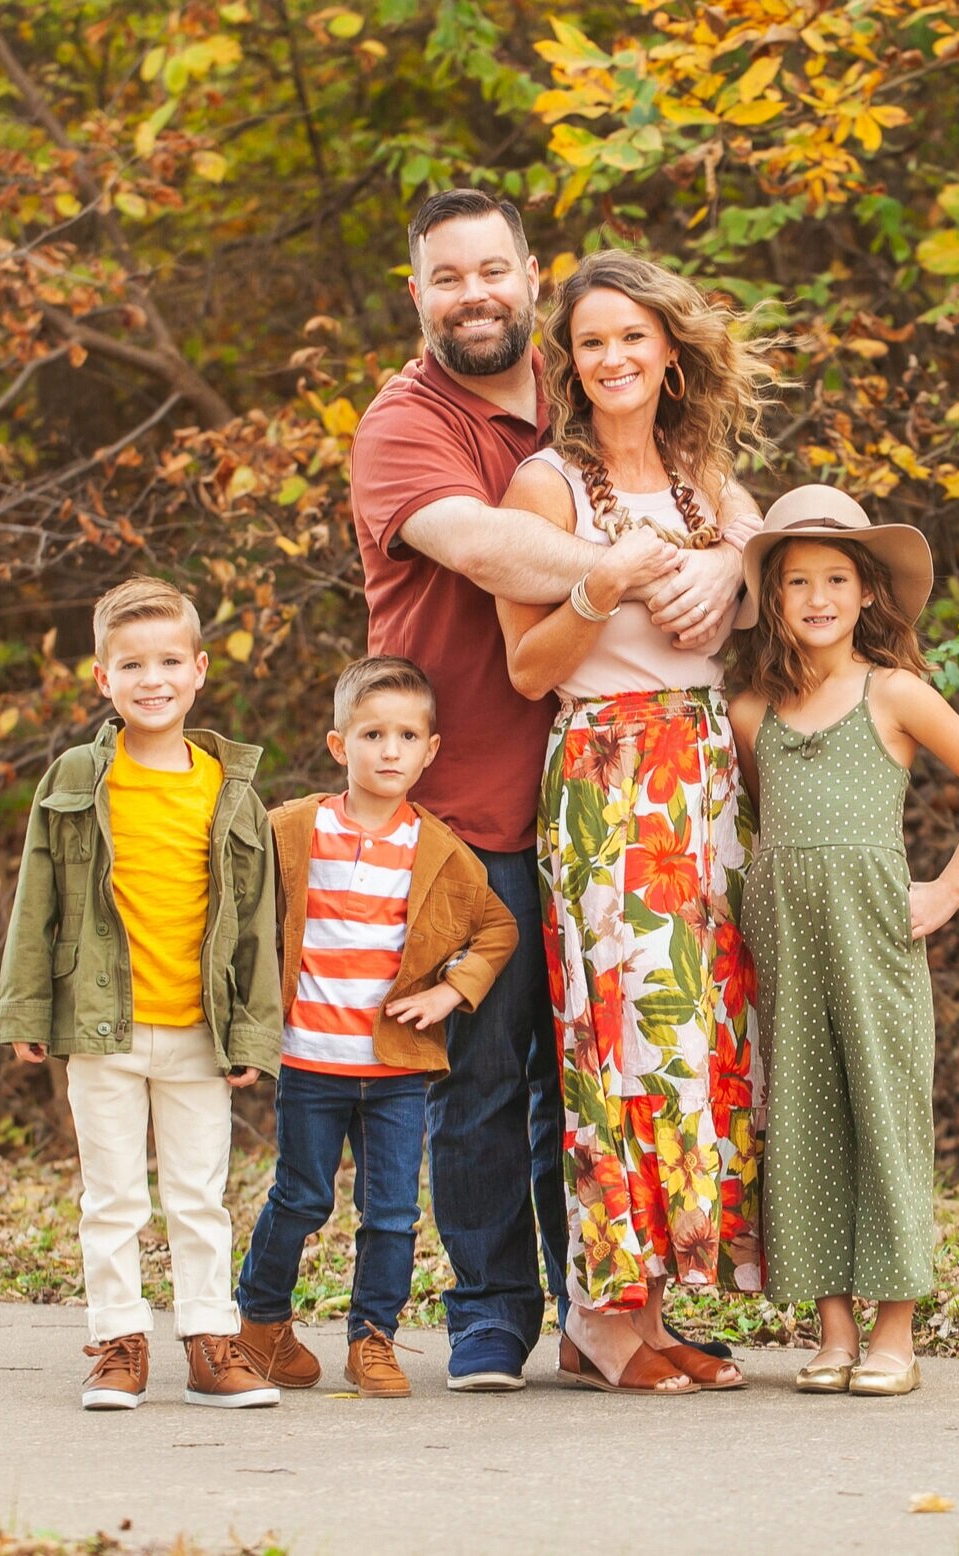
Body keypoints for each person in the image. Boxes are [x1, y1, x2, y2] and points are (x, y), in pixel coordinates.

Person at [347, 189, 750, 1389]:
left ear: (532, 277)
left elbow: (735, 522)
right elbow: (488, 550)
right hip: (473, 790)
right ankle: (490, 1312)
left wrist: (732, 560)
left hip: (637, 797)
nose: (474, 293)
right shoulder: (404, 423)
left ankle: (613, 1304)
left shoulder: (585, 398)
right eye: (447, 276)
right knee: (487, 1071)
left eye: (494, 270)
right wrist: (650, 570)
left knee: (609, 1060)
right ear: (416, 295)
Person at [495, 248, 781, 1395]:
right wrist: (598, 587)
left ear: (670, 351)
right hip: (609, 772)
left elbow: (768, 603)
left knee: (699, 1037)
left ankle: (653, 1307)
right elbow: (525, 668)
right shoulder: (545, 486)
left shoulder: (711, 477)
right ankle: (603, 1315)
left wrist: (736, 573)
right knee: (616, 1039)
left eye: (631, 337)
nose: (612, 357)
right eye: (591, 341)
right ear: (570, 364)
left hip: (707, 774)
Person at [726, 488, 959, 1398]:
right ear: (773, 599)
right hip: (784, 942)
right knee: (805, 1124)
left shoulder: (893, 692)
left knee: (883, 1119)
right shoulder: (752, 713)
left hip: (874, 939)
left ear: (866, 595)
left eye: (837, 580)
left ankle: (896, 1330)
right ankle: (834, 1329)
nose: (817, 597)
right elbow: (752, 824)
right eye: (797, 582)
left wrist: (949, 887)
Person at [0, 575, 285, 1411]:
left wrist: (253, 1037)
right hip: (101, 1030)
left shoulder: (229, 792)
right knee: (113, 1194)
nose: (150, 679)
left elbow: (257, 926)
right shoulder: (78, 778)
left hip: (199, 1029)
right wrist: (25, 1011)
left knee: (199, 1196)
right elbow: (35, 901)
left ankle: (207, 1345)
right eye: (131, 665)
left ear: (199, 670)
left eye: (167, 661)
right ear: (103, 679)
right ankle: (120, 1341)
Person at [233, 657, 521, 1399]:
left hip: (396, 1069)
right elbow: (229, 886)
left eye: (406, 736)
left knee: (390, 1213)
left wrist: (451, 994)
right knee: (300, 1198)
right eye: (372, 734)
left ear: (430, 751)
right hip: (311, 1061)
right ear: (340, 746)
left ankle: (373, 1340)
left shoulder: (441, 852)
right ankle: (260, 1323)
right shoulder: (295, 829)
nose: (389, 751)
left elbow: (497, 928)